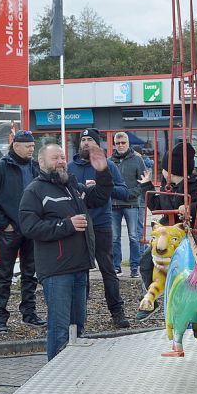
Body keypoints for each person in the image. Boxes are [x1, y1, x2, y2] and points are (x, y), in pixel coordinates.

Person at [19, 143, 114, 360]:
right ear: (41, 162)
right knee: (59, 328)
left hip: (80, 267)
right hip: (56, 270)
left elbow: (99, 197)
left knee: (76, 327)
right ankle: (54, 373)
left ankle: (74, 369)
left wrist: (102, 171)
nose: (61, 161)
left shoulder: (72, 186)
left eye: (62, 157)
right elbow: (29, 227)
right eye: (55, 158)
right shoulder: (34, 190)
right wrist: (66, 225)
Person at [0, 130, 46, 333]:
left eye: (33, 146)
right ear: (16, 145)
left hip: (31, 229)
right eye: (28, 146)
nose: (31, 149)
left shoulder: (36, 168)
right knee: (4, 275)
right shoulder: (1, 168)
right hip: (10, 230)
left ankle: (29, 314)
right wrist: (4, 224)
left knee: (30, 274)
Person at [68, 128, 131, 328]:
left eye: (90, 140)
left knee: (108, 270)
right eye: (83, 139)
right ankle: (80, 316)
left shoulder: (107, 165)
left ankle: (117, 312)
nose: (86, 143)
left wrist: (102, 186)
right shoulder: (70, 167)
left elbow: (125, 191)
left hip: (102, 224)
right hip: (79, 226)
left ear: (98, 144)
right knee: (80, 272)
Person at [136, 142, 197, 298]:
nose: (163, 172)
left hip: (186, 232)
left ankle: (189, 294)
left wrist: (189, 207)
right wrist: (147, 186)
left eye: (164, 169)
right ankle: (153, 294)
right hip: (166, 231)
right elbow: (157, 205)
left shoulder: (195, 185)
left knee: (188, 264)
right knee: (146, 260)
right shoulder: (167, 186)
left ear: (171, 171)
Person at [110, 132, 148, 279]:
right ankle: (116, 267)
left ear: (128, 143)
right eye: (117, 143)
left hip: (132, 204)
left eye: (123, 142)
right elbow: (106, 182)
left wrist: (130, 194)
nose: (120, 145)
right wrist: (115, 193)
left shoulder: (138, 160)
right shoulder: (110, 162)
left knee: (134, 237)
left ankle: (134, 267)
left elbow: (144, 182)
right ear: (114, 144)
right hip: (114, 205)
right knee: (114, 238)